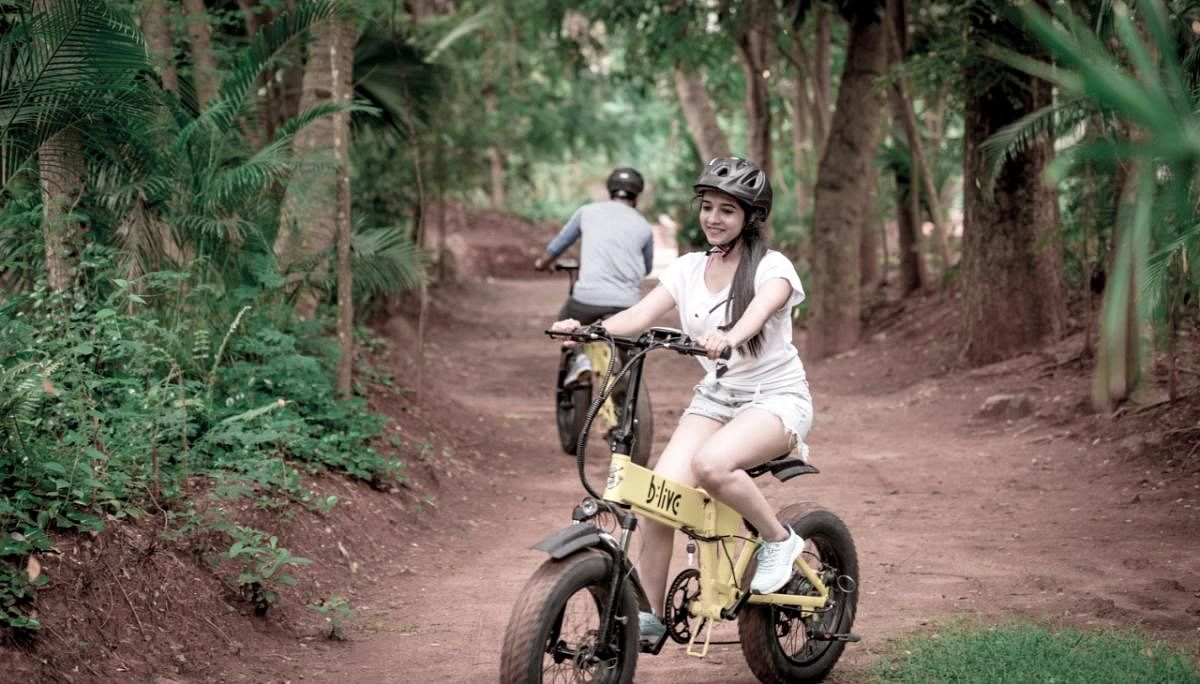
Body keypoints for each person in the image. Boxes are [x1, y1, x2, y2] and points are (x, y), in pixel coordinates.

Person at [548, 156, 813, 640]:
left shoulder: (774, 267)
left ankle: (780, 540)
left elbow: (760, 309)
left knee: (713, 465)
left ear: (751, 218)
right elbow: (639, 315)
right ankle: (648, 614)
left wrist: (730, 335)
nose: (713, 217)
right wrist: (588, 329)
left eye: (727, 210)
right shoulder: (690, 268)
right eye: (707, 207)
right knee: (655, 500)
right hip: (715, 398)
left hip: (774, 398)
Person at [535, 167, 655, 386]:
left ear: (611, 190)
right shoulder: (644, 226)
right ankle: (625, 380)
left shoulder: (587, 212)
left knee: (567, 320)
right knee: (627, 346)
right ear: (636, 196)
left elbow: (559, 244)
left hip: (587, 301)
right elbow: (647, 268)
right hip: (627, 304)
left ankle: (578, 360)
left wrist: (542, 263)